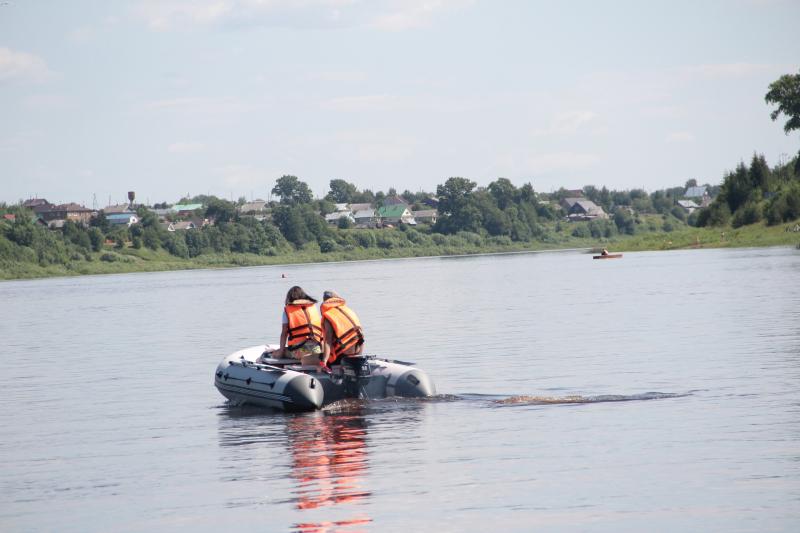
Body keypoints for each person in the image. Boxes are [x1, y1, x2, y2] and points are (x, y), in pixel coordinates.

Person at [275, 286, 324, 364]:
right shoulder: (312, 308)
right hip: (317, 348)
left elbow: (284, 333)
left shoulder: (288, 311)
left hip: (299, 350)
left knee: (276, 353)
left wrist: (281, 352)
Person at [320, 290, 365, 366]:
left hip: (343, 355)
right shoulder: (348, 310)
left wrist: (324, 361)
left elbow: (328, 341)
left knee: (319, 356)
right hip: (358, 351)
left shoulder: (328, 316)